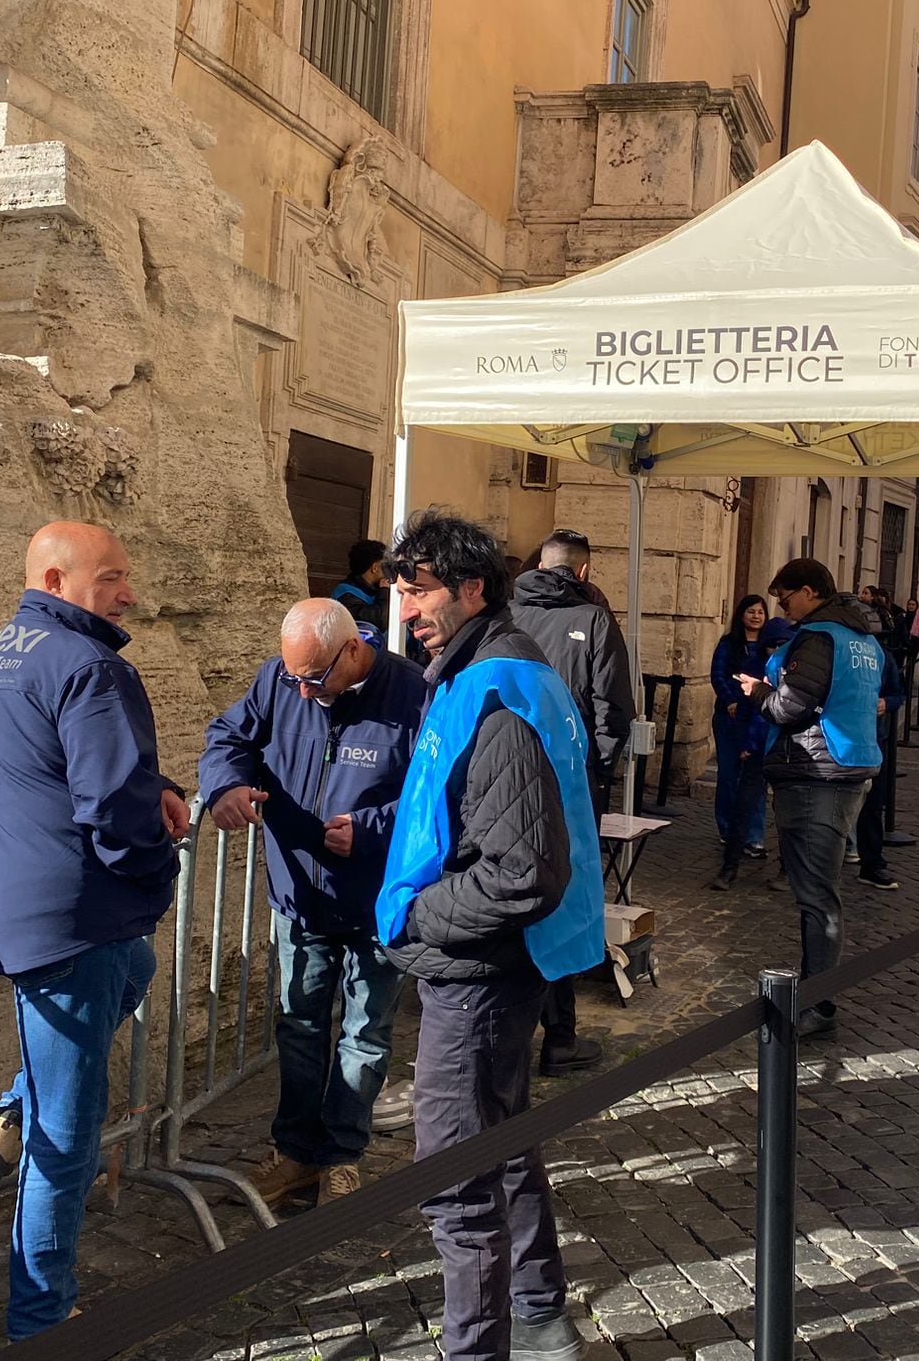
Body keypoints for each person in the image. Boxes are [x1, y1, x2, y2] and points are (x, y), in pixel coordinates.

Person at [0, 522, 189, 1341]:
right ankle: (40, 1322)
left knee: (137, 969)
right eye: (112, 578)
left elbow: (55, 766)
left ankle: (13, 1107)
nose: (128, 593)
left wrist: (151, 784)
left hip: (9, 900)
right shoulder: (92, 665)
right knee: (71, 1134)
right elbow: (115, 812)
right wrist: (162, 868)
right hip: (71, 914)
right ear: (56, 578)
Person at [377, 510, 602, 1361]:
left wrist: (415, 916)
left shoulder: (498, 688)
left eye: (421, 589)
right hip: (494, 965)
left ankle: (477, 1350)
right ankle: (542, 1315)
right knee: (503, 1142)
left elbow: (520, 871)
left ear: (473, 590)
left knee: (456, 1178)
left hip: (480, 969)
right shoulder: (481, 667)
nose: (407, 609)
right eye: (401, 590)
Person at [196, 599, 425, 1208]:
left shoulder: (413, 693)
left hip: (376, 898)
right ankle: (294, 1154)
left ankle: (342, 1156)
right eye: (292, 677)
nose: (299, 692)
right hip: (298, 891)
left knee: (365, 1032)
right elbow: (229, 736)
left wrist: (374, 827)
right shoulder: (280, 679)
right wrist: (225, 783)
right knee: (298, 1025)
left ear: (352, 651)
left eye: (313, 679)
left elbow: (440, 794)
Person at [734, 558, 884, 1040]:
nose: (782, 606)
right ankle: (814, 991)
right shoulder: (863, 637)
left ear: (810, 591)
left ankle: (817, 1004)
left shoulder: (820, 636)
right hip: (848, 763)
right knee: (819, 891)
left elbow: (790, 707)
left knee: (818, 896)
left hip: (819, 770)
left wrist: (759, 691)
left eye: (786, 597)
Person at [510, 527, 634, 1077]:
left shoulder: (504, 614)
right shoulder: (593, 620)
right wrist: (598, 771)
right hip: (568, 780)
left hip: (503, 777)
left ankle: (510, 1027)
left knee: (510, 891)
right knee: (565, 898)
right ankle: (560, 1038)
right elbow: (614, 710)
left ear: (541, 563)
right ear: (583, 572)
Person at [708, 594, 773, 887]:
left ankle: (753, 836)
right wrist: (732, 701)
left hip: (757, 719)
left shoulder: (771, 647)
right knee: (729, 774)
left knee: (755, 782)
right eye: (751, 611)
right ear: (741, 614)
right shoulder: (728, 644)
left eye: (761, 612)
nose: (756, 616)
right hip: (729, 717)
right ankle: (727, 828)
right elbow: (718, 675)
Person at [847, 649, 906, 890]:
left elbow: (897, 692)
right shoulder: (834, 647)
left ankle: (871, 864)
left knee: (873, 803)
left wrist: (887, 703)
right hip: (838, 736)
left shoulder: (881, 654)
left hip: (873, 737)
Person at [331, 539, 388, 625]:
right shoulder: (346, 594)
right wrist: (385, 592)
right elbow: (379, 621)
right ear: (375, 568)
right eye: (386, 565)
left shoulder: (374, 589)